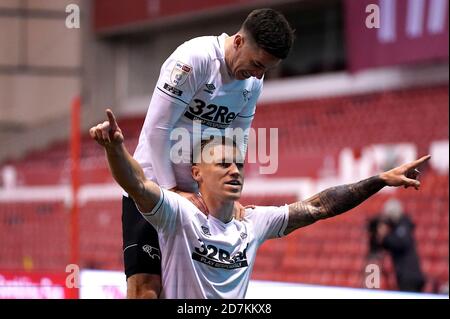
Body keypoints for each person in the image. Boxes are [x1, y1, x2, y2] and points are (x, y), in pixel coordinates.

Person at [90, 109, 430, 299]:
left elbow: (319, 207)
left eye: (238, 164)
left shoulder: (252, 223)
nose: (235, 170)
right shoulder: (179, 216)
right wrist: (114, 149)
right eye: (223, 164)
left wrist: (379, 180)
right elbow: (136, 184)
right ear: (197, 173)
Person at [122, 8, 295, 298]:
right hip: (154, 188)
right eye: (256, 64)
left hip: (201, 198)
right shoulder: (193, 60)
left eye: (265, 69)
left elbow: (238, 138)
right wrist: (172, 190)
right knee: (146, 290)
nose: (258, 74)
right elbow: (156, 130)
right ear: (239, 42)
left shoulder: (253, 82)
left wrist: (232, 197)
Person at [374, 198, 426, 292]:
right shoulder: (398, 228)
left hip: (409, 276)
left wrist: (385, 237)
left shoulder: (403, 225)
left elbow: (400, 243)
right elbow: (387, 245)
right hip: (405, 275)